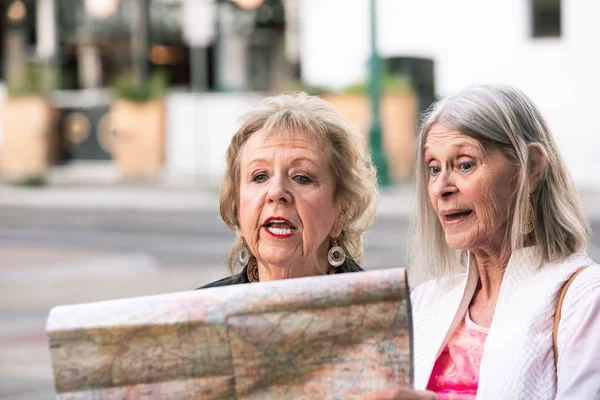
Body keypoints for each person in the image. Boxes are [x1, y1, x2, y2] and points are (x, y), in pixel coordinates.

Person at [374, 84, 600, 400]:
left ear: (530, 168)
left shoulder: (585, 300)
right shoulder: (424, 301)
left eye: (464, 164)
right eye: (433, 168)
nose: (440, 188)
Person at [201, 92, 378, 287]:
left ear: (341, 211)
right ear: (238, 209)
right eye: (260, 176)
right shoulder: (197, 312)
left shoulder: (383, 312)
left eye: (301, 177)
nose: (276, 192)